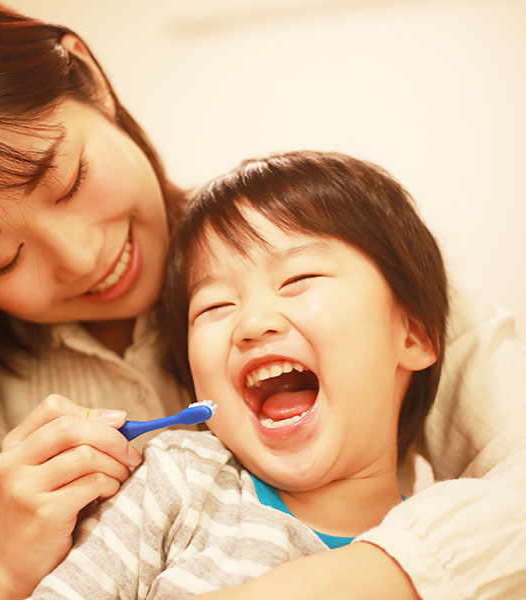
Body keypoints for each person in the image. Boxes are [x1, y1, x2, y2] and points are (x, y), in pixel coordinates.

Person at [0, 1, 525, 599]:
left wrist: (356, 577)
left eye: (66, 179)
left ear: (88, 80)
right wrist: (5, 574)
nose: (82, 258)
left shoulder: (340, 255)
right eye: (2, 259)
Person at [28, 150, 448, 598]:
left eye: (297, 279)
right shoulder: (178, 478)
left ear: (413, 336)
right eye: (215, 307)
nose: (250, 324)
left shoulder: (449, 542)